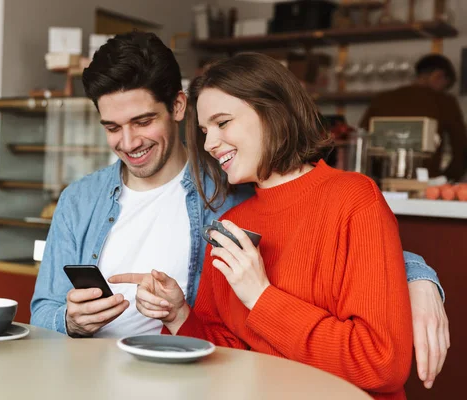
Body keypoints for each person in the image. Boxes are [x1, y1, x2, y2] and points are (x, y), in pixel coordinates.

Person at [30, 31, 448, 389]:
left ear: (178, 108)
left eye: (142, 121)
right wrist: (75, 319)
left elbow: (332, 226)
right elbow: (42, 311)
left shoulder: (227, 193)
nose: (128, 141)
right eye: (112, 128)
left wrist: (419, 277)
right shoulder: (83, 200)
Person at [111, 52, 414, 399]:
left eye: (223, 123)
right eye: (205, 131)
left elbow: (381, 364)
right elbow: (223, 353)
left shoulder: (353, 199)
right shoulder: (231, 224)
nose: (209, 144)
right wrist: (179, 315)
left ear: (274, 112)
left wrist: (260, 296)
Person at [360, 53, 467, 181]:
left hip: (380, 181)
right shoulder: (444, 101)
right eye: (445, 86)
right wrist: (446, 179)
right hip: (425, 182)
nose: (444, 90)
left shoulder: (382, 99)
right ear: (437, 75)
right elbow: (461, 148)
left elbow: (361, 138)